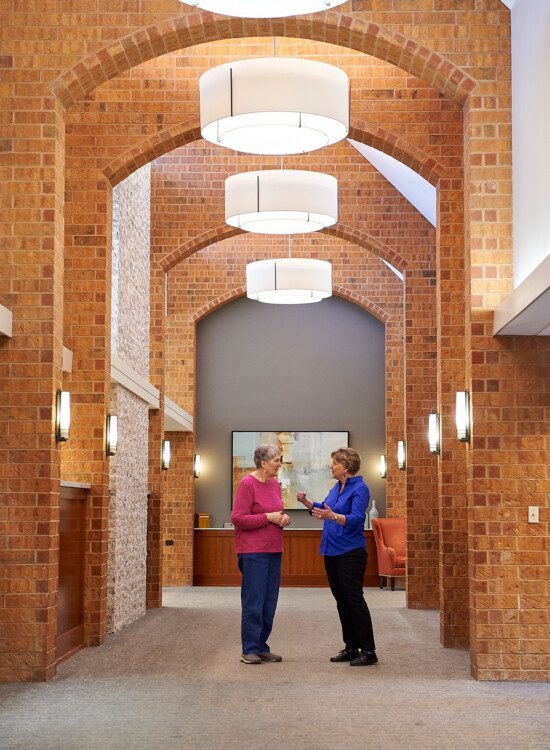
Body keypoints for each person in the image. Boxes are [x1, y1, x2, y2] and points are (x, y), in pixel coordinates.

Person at [297, 447, 378, 666]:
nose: (331, 466)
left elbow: (355, 519)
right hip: (331, 549)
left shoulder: (360, 487)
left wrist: (332, 516)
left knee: (354, 599)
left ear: (346, 467)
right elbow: (325, 508)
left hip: (350, 551)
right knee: (341, 600)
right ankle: (351, 647)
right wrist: (307, 503)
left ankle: (369, 650)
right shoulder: (336, 486)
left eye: (334, 463)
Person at [231, 443, 291, 665]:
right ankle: (249, 649)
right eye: (277, 460)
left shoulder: (274, 483)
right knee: (254, 601)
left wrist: (284, 518)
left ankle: (262, 646)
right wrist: (268, 518)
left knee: (269, 602)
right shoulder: (247, 483)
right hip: (253, 552)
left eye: (280, 460)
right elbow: (238, 518)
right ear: (264, 463)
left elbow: (278, 512)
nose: (279, 464)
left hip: (274, 549)